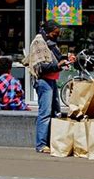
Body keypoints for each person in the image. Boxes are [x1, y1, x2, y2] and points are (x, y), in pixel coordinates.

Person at [26, 20, 74, 153]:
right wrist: (59, 65)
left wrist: (66, 59)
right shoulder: (39, 42)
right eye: (55, 33)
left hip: (51, 80)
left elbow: (56, 59)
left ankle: (50, 142)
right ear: (48, 32)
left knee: (55, 112)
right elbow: (41, 67)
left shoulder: (50, 43)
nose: (57, 36)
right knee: (45, 113)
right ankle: (41, 145)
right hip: (43, 81)